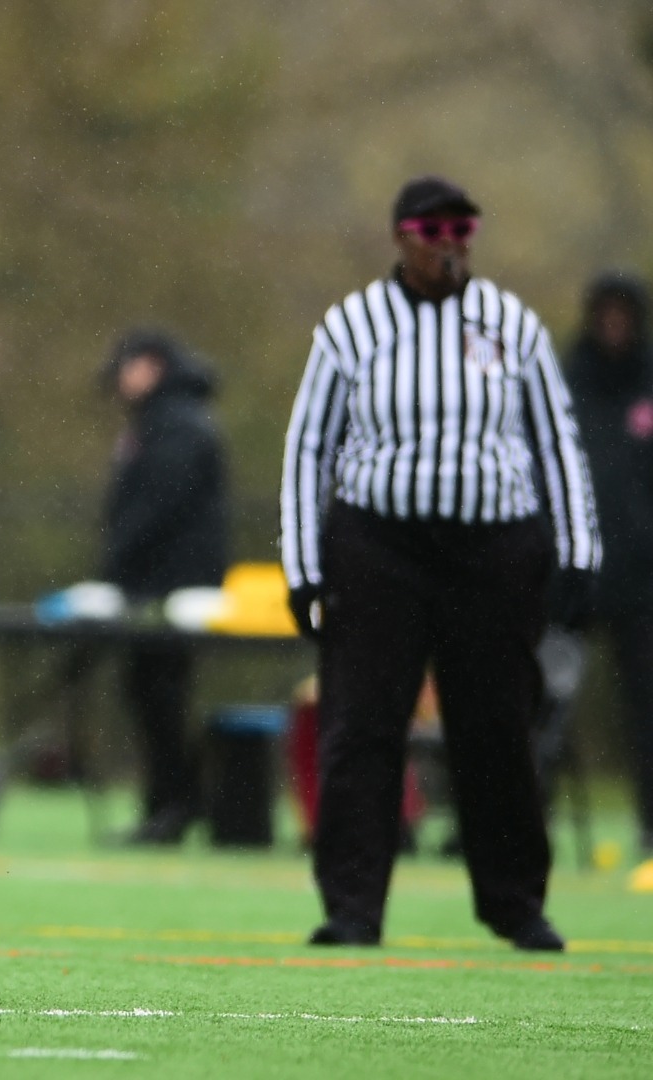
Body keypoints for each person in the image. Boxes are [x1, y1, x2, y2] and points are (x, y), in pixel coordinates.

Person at [279, 176, 600, 951]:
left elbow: (556, 440)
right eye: (434, 230)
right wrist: (301, 567)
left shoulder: (510, 325)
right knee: (363, 726)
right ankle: (353, 907)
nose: (451, 242)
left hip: (493, 547)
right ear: (401, 236)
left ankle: (515, 902)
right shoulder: (353, 327)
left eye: (463, 228)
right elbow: (308, 447)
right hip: (380, 546)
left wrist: (580, 551)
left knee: (496, 726)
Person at [98, 328, 229, 844]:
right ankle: (170, 804)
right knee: (152, 690)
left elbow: (156, 506)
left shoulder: (176, 425)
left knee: (161, 692)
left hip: (170, 588)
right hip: (156, 584)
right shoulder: (167, 420)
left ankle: (174, 806)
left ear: (149, 365)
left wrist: (117, 562)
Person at [563, 271, 653, 855]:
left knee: (645, 706)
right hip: (568, 572)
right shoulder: (564, 380)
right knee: (536, 701)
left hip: (643, 578)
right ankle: (516, 825)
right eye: (607, 311)